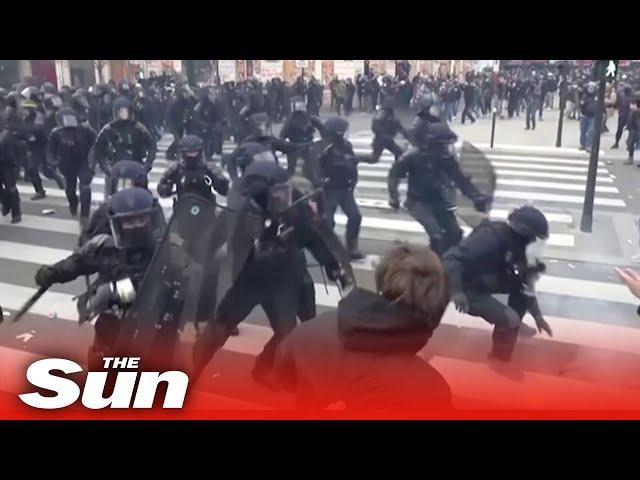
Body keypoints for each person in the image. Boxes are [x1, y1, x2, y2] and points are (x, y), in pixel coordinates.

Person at [192, 161, 354, 387]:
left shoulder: (294, 206)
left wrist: (333, 266)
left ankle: (263, 369)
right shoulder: (236, 212)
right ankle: (192, 372)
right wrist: (196, 275)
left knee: (286, 334)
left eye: (285, 190)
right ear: (259, 195)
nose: (284, 197)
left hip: (282, 278)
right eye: (278, 193)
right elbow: (211, 247)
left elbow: (312, 237)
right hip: (246, 279)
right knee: (220, 328)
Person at [272, 242, 453, 414]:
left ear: (382, 284)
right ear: (435, 312)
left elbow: (284, 374)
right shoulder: (431, 390)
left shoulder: (311, 331)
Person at [34, 188, 165, 369]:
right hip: (113, 324)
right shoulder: (105, 247)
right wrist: (53, 272)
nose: (136, 225)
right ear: (117, 223)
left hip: (154, 328)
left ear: (151, 219)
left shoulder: (166, 249)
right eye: (129, 221)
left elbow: (191, 282)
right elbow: (77, 263)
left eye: (141, 219)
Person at [442, 206, 553, 369]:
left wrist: (537, 316)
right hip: (467, 287)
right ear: (523, 230)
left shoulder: (519, 244)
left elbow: (525, 284)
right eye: (534, 237)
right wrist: (457, 292)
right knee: (510, 320)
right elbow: (451, 259)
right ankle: (498, 362)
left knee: (521, 293)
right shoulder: (490, 237)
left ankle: (507, 337)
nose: (534, 242)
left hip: (485, 280)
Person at [388, 107, 489, 257]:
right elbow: (394, 174)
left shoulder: (445, 157)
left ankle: (449, 262)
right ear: (432, 142)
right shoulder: (413, 155)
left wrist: (476, 196)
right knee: (437, 235)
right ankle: (434, 266)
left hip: (438, 200)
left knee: (455, 234)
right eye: (442, 144)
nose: (445, 148)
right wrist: (394, 196)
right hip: (417, 202)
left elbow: (460, 178)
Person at [310, 116, 373, 260]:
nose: (345, 134)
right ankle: (329, 248)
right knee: (328, 221)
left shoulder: (346, 145)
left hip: (344, 188)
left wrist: (353, 181)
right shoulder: (322, 147)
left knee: (355, 217)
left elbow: (353, 163)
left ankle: (351, 247)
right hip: (328, 190)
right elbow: (314, 168)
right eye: (342, 131)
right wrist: (319, 182)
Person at [90, 96, 156, 200]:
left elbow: (151, 145)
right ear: (115, 112)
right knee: (110, 200)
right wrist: (105, 167)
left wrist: (147, 165)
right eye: (121, 111)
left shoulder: (138, 127)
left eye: (126, 111)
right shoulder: (108, 128)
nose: (123, 114)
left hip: (136, 167)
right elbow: (98, 148)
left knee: (144, 197)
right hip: (115, 167)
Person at [47, 108, 97, 227]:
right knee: (70, 189)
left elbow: (97, 144)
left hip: (84, 162)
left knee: (85, 187)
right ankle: (73, 204)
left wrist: (94, 160)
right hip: (66, 164)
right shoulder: (55, 133)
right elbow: (50, 150)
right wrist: (52, 161)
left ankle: (85, 215)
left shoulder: (86, 130)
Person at [279, 97, 318, 177]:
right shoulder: (304, 117)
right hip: (301, 144)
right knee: (307, 166)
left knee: (294, 168)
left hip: (298, 145)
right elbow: (312, 131)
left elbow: (283, 134)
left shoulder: (294, 118)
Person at [370, 98, 410, 163]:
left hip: (387, 140)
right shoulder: (382, 115)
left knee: (399, 153)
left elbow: (401, 129)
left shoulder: (392, 117)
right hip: (381, 140)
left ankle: (397, 169)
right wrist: (383, 134)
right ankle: (356, 159)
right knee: (374, 159)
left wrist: (409, 137)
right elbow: (375, 127)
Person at [0, 123, 22, 223]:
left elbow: (11, 155)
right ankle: (6, 203)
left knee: (11, 188)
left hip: (8, 166)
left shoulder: (6, 136)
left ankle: (16, 213)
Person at [612, 85, 632, 150]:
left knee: (620, 129)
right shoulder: (631, 97)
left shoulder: (622, 96)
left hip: (624, 114)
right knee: (631, 130)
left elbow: (617, 104)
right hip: (627, 115)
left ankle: (617, 142)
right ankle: (627, 142)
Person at [579, 82, 597, 151]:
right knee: (583, 131)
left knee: (591, 131)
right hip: (584, 115)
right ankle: (583, 144)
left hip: (593, 116)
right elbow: (581, 104)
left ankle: (589, 145)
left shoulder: (597, 96)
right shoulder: (584, 95)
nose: (591, 89)